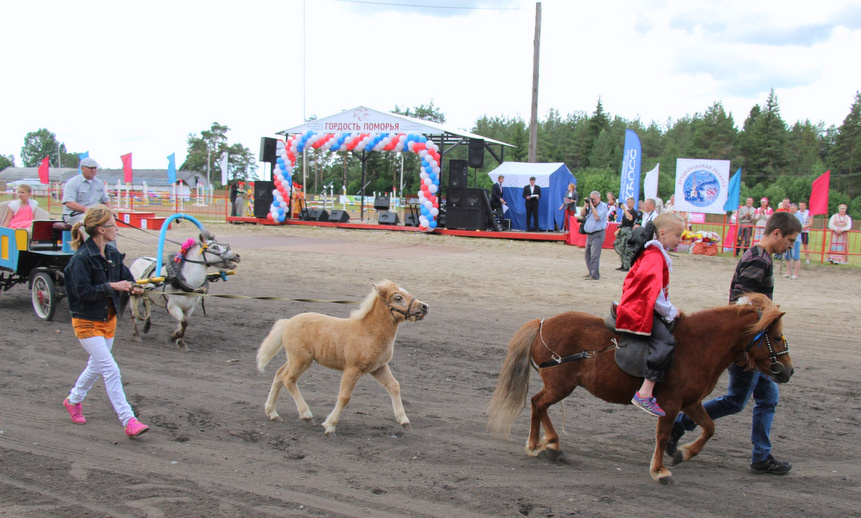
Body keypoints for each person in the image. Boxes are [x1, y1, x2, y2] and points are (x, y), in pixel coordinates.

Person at [668, 211, 801, 475]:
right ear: (776, 233)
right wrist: (744, 350)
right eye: (790, 240)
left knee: (766, 398)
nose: (790, 246)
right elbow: (741, 304)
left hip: (753, 343)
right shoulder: (758, 260)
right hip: (749, 346)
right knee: (736, 401)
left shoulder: (760, 257)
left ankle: (761, 456)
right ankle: (680, 424)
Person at [62, 205, 150, 438]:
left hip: (108, 320)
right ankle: (128, 420)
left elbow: (127, 278)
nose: (117, 228)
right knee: (110, 369)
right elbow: (82, 292)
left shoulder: (112, 254)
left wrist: (134, 287)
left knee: (96, 366)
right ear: (101, 229)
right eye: (113, 224)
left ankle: (74, 400)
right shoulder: (80, 259)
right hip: (86, 322)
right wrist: (112, 286)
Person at [617, 213, 685, 417]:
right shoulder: (654, 256)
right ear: (662, 233)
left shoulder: (656, 253)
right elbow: (652, 292)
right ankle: (644, 393)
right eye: (678, 235)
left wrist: (670, 308)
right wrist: (670, 311)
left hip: (643, 304)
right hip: (638, 307)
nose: (680, 240)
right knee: (666, 342)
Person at [62, 157, 113, 225]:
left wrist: (110, 212)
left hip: (94, 215)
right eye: (90, 168)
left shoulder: (99, 183)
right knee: (91, 222)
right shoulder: (73, 183)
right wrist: (87, 210)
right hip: (74, 215)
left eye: (95, 168)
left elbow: (105, 200)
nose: (93, 170)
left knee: (110, 223)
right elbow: (69, 203)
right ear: (82, 168)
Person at [580, 191, 608, 280]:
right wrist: (586, 205)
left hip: (598, 233)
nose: (593, 201)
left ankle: (595, 275)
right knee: (587, 255)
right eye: (591, 199)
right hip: (589, 234)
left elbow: (597, 217)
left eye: (594, 199)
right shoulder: (590, 206)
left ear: (599, 198)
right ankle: (591, 272)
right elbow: (582, 214)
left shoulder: (603, 206)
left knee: (595, 255)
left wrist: (591, 206)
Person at [613, 197, 638, 272]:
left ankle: (627, 265)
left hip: (628, 230)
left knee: (626, 248)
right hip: (623, 229)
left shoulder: (633, 212)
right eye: (627, 203)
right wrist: (618, 230)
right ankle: (623, 264)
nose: (628, 204)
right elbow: (623, 222)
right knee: (620, 246)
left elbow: (630, 218)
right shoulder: (626, 211)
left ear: (633, 203)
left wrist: (624, 209)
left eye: (629, 202)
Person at [783, 203, 803, 279]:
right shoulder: (789, 216)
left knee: (796, 256)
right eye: (790, 208)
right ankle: (789, 272)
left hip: (796, 239)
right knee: (787, 256)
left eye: (793, 208)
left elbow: (798, 227)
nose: (791, 210)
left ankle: (796, 274)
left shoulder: (799, 217)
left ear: (796, 209)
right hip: (788, 238)